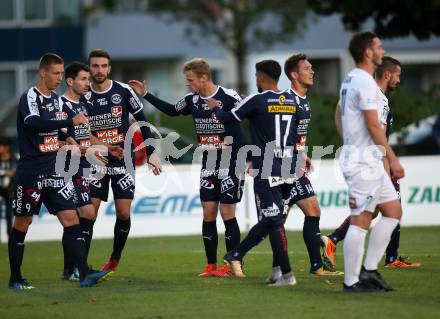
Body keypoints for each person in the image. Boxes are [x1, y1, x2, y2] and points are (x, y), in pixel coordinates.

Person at [129, 58, 243, 277]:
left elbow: (243, 122)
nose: (188, 84)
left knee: (227, 212)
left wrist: (232, 143)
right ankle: (211, 266)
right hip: (208, 164)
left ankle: (232, 265)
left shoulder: (229, 97)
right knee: (208, 212)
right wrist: (146, 95)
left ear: (204, 77)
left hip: (230, 162)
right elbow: (172, 110)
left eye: (190, 80)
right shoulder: (192, 100)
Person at [8, 53, 111, 289]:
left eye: (61, 73)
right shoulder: (30, 97)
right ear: (43, 73)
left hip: (55, 169)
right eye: (56, 73)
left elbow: (56, 131)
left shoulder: (55, 99)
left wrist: (67, 138)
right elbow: (33, 124)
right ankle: (15, 278)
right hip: (31, 170)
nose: (59, 78)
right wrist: (69, 125)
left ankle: (83, 273)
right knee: (23, 223)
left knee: (71, 218)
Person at [321, 56, 420, 269]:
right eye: (398, 75)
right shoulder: (378, 98)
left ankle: (335, 240)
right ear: (387, 75)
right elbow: (378, 133)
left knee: (374, 210)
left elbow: (339, 111)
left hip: (364, 158)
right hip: (374, 161)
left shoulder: (361, 90)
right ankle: (383, 261)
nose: (399, 80)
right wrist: (387, 163)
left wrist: (347, 139)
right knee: (387, 209)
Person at [208, 60, 296, 286]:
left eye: (256, 75)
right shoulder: (291, 99)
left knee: (272, 219)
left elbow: (226, 118)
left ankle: (239, 254)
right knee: (274, 220)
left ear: (261, 77)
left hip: (266, 168)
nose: (255, 79)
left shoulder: (257, 100)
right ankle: (281, 273)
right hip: (287, 166)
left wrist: (215, 107)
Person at [265, 53, 343, 284]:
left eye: (312, 68)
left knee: (310, 211)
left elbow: (296, 135)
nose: (312, 71)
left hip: (294, 164)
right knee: (281, 220)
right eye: (307, 68)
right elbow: (275, 134)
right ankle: (267, 265)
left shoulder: (303, 100)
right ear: (294, 74)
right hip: (283, 167)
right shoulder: (285, 100)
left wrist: (303, 152)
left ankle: (311, 266)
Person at [85, 49, 162, 275]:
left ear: (109, 68)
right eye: (95, 66)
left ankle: (114, 260)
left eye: (103, 66)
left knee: (124, 213)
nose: (99, 70)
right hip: (96, 161)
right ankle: (79, 264)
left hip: (123, 161)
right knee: (90, 213)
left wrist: (151, 152)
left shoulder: (123, 91)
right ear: (89, 68)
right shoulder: (82, 94)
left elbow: (143, 121)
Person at [338, 32, 404, 293]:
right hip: (363, 162)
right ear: (368, 52)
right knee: (361, 220)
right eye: (378, 46)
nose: (381, 49)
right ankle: (351, 282)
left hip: (369, 160)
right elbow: (373, 125)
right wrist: (393, 158)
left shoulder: (351, 79)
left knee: (393, 211)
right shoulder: (364, 81)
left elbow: (337, 111)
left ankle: (369, 270)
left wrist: (348, 139)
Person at [58, 61, 124, 280]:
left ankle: (75, 269)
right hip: (66, 169)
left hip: (82, 168)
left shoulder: (82, 105)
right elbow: (62, 143)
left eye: (88, 78)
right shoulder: (61, 106)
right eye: (83, 79)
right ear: (70, 81)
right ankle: (75, 268)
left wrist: (107, 148)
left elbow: (86, 136)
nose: (88, 83)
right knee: (80, 215)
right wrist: (89, 151)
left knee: (83, 215)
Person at [0, 137, 16, 239]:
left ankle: (10, 236)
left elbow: (16, 171)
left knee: (9, 215)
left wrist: (11, 174)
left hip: (9, 190)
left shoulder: (14, 159)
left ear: (6, 147)